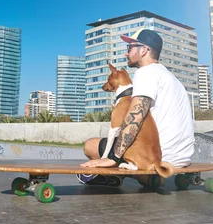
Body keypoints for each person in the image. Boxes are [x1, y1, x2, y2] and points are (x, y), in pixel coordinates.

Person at [78, 29, 195, 186]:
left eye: (129, 48)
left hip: (157, 157)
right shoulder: (171, 78)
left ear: (144, 50)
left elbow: (135, 115)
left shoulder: (146, 72)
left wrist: (113, 157)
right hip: (182, 157)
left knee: (90, 146)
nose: (126, 53)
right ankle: (134, 173)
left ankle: (142, 177)